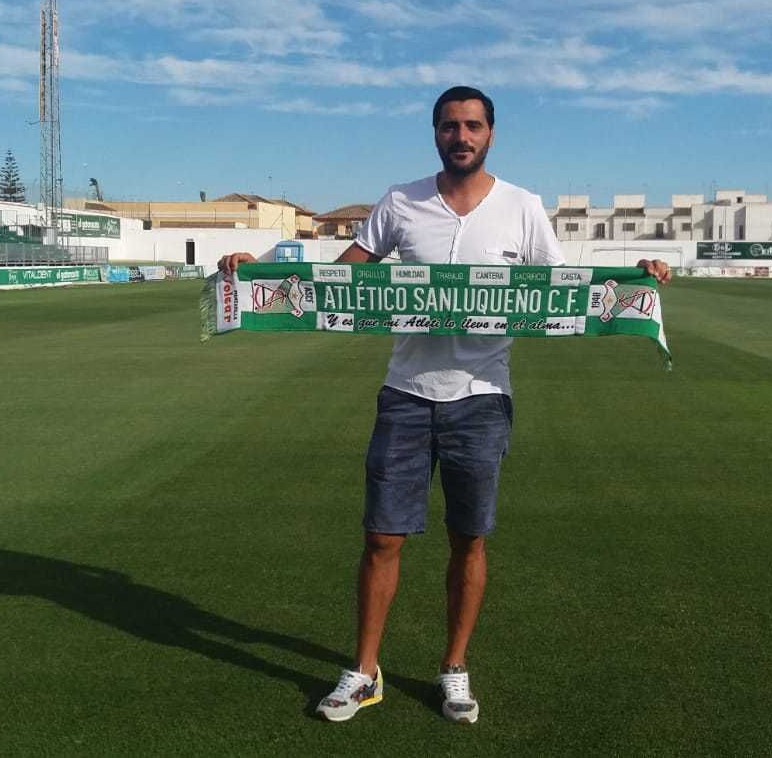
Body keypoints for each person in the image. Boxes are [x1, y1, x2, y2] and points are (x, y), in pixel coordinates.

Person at [218, 86, 669, 724]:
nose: (462, 136)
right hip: (406, 393)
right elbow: (341, 276)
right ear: (435, 133)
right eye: (451, 126)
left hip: (482, 398)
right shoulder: (401, 202)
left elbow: (564, 288)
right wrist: (254, 269)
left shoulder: (522, 207)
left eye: (473, 126)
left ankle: (454, 669)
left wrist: (638, 275)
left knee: (469, 538)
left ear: (491, 134)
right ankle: (364, 671)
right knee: (381, 537)